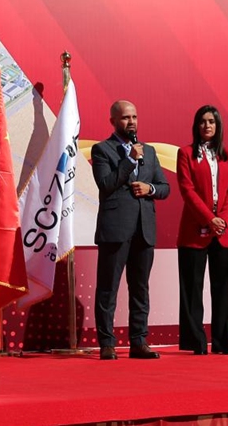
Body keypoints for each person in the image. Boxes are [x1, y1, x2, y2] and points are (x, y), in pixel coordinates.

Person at [91, 100, 170, 360]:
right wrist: (128, 160)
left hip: (144, 228)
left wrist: (152, 189)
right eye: (125, 118)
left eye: (135, 116)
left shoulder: (149, 151)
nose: (132, 122)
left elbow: (165, 187)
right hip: (115, 228)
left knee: (140, 288)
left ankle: (139, 340)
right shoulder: (102, 150)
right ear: (113, 121)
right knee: (108, 288)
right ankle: (107, 342)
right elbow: (105, 184)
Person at [175, 105, 228, 355]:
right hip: (194, 230)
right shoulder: (186, 153)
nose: (207, 126)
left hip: (224, 231)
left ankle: (223, 342)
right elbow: (187, 190)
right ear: (196, 126)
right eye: (202, 121)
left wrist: (221, 218)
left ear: (218, 125)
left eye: (211, 121)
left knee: (223, 288)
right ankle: (196, 342)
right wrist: (208, 218)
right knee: (192, 289)